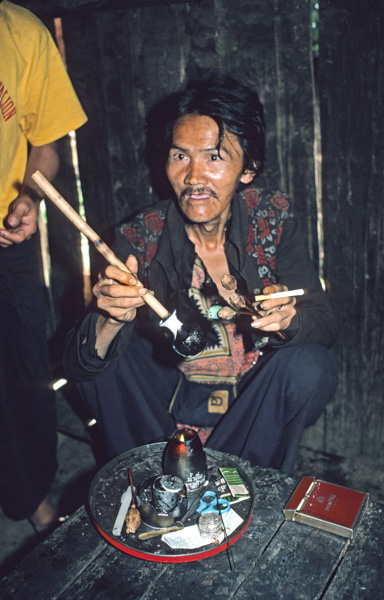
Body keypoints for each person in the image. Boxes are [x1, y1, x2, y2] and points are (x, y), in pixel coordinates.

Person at [63, 70, 338, 474]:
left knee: (310, 364)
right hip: (164, 413)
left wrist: (290, 320)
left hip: (250, 409)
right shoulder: (140, 238)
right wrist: (108, 318)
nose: (193, 176)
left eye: (213, 157)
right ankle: (150, 477)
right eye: (180, 156)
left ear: (248, 168)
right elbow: (77, 369)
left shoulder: (273, 219)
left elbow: (325, 320)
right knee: (102, 357)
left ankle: (235, 479)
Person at [0, 1, 87, 528]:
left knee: (24, 371)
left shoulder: (20, 32)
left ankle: (30, 497)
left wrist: (28, 198)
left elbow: (45, 150)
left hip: (7, 237)